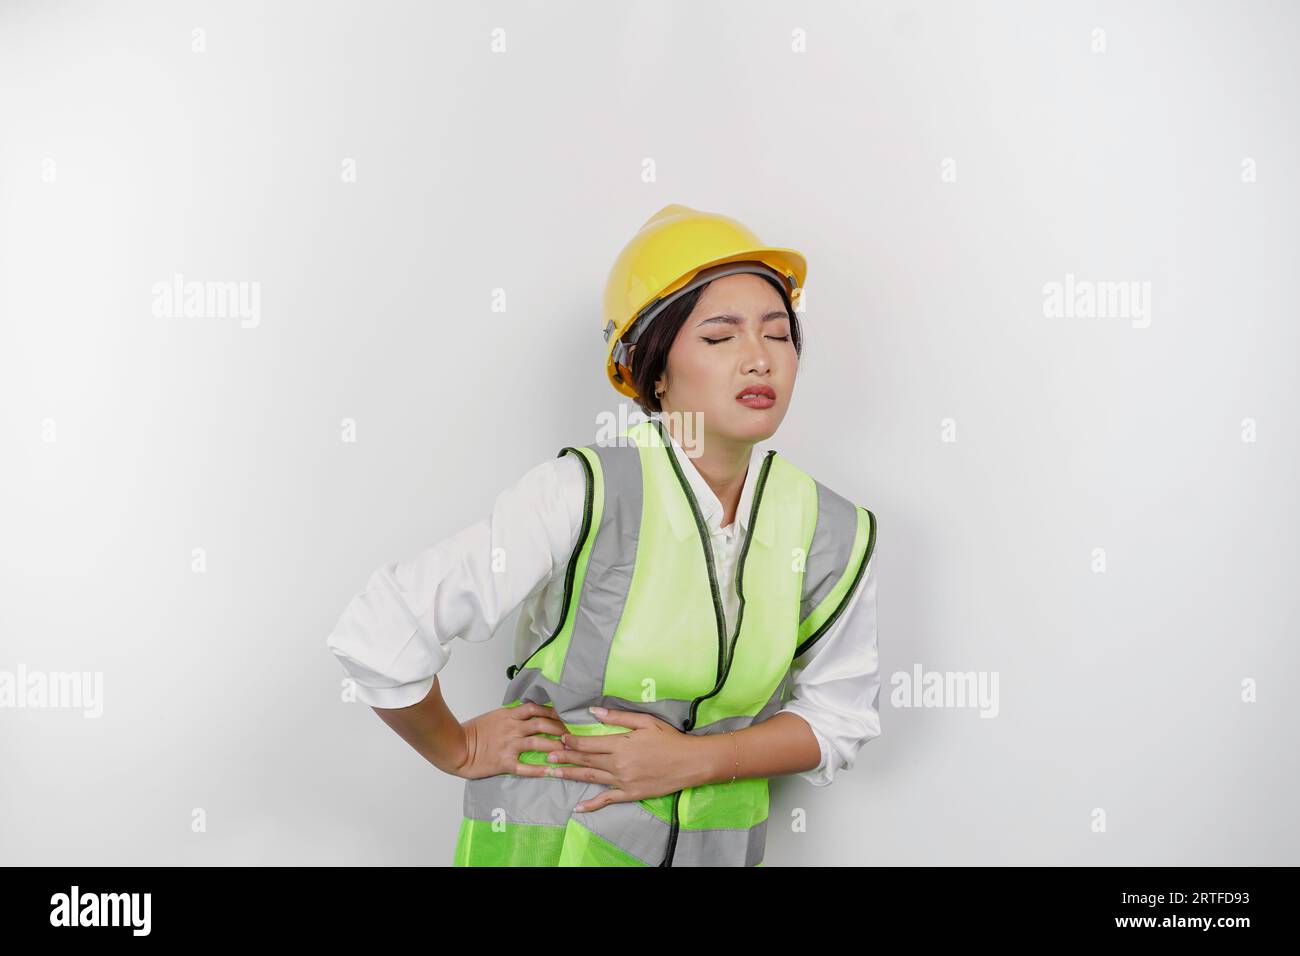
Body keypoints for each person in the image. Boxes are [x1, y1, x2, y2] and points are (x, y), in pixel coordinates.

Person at [326, 203, 880, 866]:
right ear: (655, 368)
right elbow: (383, 630)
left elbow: (840, 719)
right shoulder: (582, 493)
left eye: (778, 333)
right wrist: (459, 747)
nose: (759, 359)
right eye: (719, 337)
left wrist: (697, 761)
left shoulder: (830, 528)